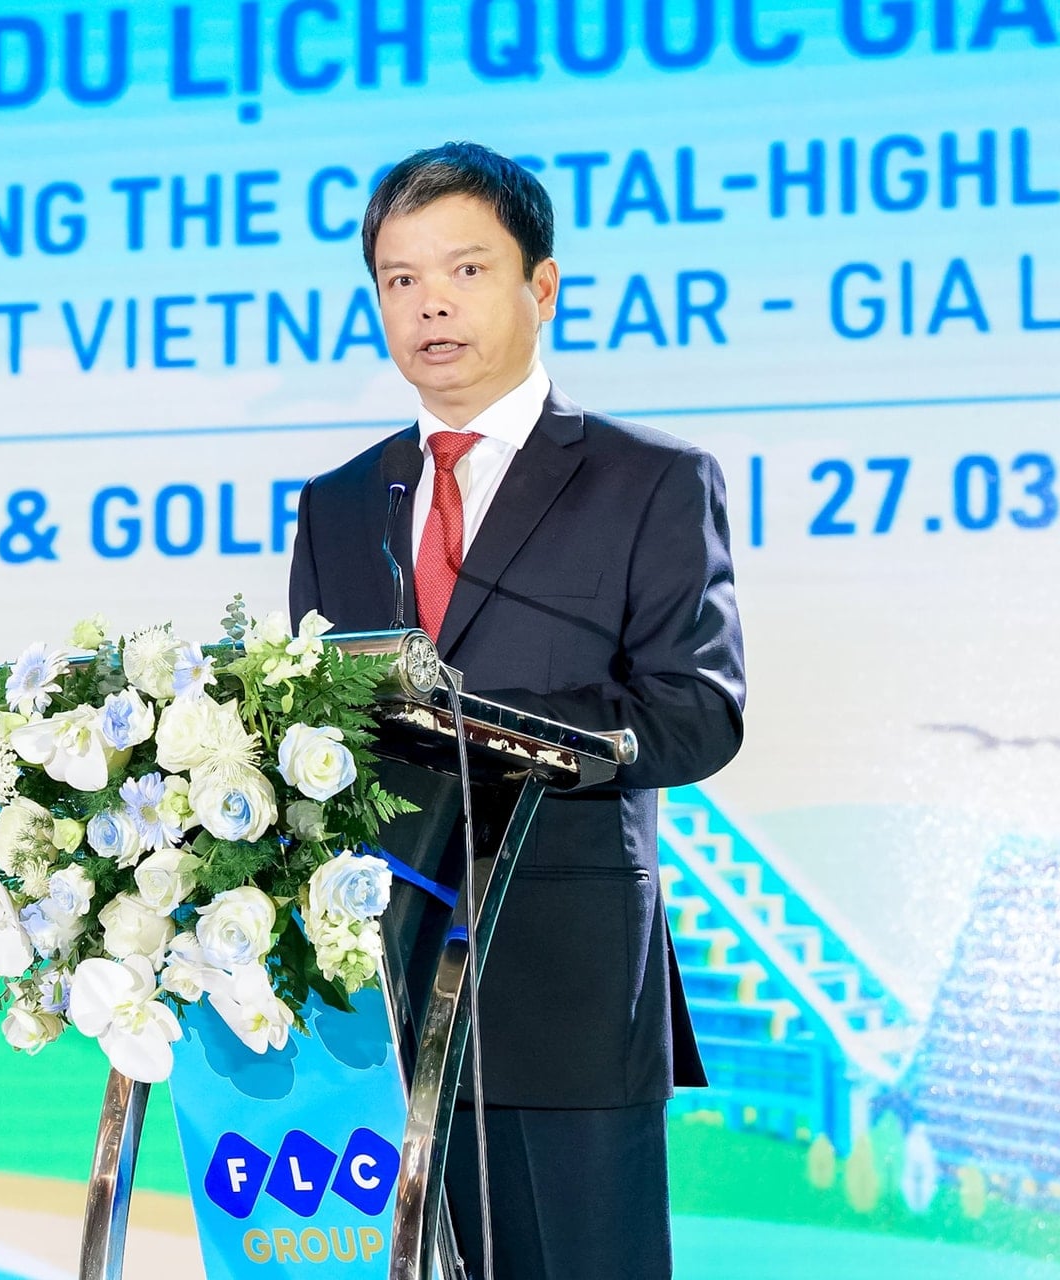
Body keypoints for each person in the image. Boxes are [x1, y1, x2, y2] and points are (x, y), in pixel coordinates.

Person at [287, 142, 746, 1280]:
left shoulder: (650, 479)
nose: (430, 303)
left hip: (565, 986)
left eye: (465, 270)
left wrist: (500, 728)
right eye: (400, 279)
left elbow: (698, 711)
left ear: (542, 286)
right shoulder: (340, 501)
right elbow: (312, 737)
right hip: (377, 1000)